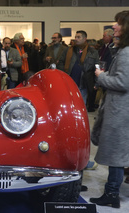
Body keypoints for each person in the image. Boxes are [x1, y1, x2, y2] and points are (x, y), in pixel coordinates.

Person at [89, 10, 129, 209]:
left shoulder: (127, 52)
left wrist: (101, 76)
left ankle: (111, 193)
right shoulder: (123, 50)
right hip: (119, 109)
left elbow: (122, 82)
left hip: (120, 111)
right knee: (119, 154)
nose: (114, 27)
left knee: (116, 155)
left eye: (118, 24)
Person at [58, 30, 99, 111]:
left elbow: (96, 67)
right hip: (69, 83)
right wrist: (64, 73)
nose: (76, 39)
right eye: (75, 37)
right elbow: (60, 62)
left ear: (84, 39)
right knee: (68, 106)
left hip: (83, 84)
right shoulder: (68, 50)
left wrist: (97, 83)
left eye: (78, 37)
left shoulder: (93, 52)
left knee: (80, 108)